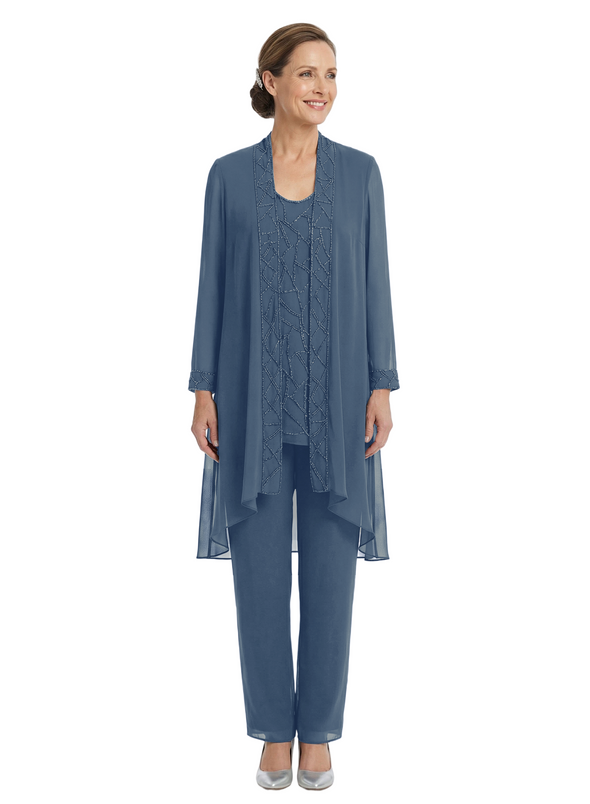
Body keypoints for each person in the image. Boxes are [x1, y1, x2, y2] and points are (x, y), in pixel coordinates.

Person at [188, 22, 401, 791]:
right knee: (257, 578)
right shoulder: (227, 178)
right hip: (250, 404)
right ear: (270, 80)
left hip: (340, 404)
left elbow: (375, 282)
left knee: (332, 580)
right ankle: (274, 731)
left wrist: (381, 383)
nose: (323, 88)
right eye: (307, 73)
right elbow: (212, 284)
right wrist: (203, 387)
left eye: (332, 74)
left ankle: (320, 734)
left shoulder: (362, 174)